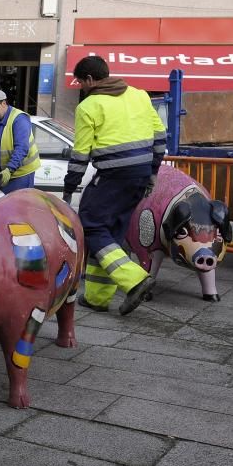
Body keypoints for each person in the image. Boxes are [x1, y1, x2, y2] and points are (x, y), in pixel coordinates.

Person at [63, 55, 165, 315]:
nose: (81, 89)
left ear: (89, 79)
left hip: (113, 177)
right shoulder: (139, 95)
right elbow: (160, 136)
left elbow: (80, 154)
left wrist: (69, 187)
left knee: (90, 224)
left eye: (80, 84)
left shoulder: (89, 106)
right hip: (140, 175)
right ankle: (97, 297)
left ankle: (135, 279)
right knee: (111, 234)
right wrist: (152, 172)